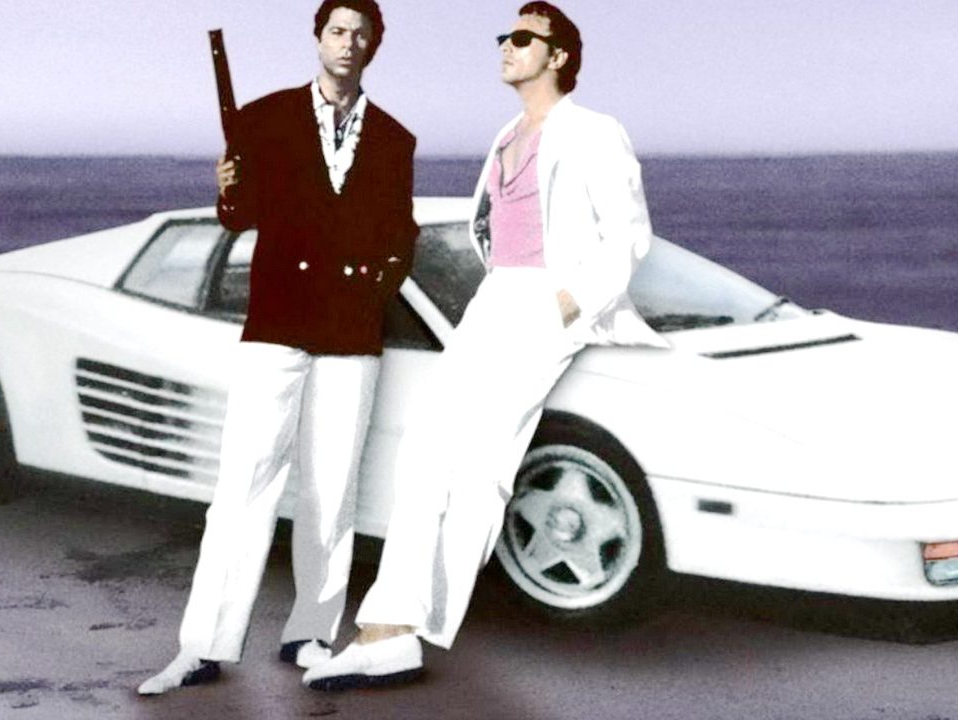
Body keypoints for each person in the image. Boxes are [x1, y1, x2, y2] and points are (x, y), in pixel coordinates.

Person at [302, 1, 667, 691]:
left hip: (545, 302)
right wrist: (501, 285)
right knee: (425, 449)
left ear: (558, 56)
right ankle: (389, 629)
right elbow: (491, 224)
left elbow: (627, 234)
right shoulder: (508, 132)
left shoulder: (594, 131)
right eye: (507, 35)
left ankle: (402, 628)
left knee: (479, 465)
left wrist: (567, 303)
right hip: (495, 296)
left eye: (524, 37)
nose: (508, 45)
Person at [138, 0, 418, 695]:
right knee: (243, 486)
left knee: (332, 492)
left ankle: (311, 634)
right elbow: (240, 217)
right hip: (277, 323)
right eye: (337, 31)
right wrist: (226, 189)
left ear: (375, 46)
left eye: (361, 34)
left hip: (351, 332)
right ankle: (202, 647)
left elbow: (400, 233)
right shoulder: (263, 119)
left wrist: (373, 292)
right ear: (319, 39)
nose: (348, 43)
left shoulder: (394, 138)